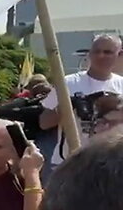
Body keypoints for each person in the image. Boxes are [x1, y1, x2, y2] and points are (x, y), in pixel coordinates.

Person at [41, 34, 123, 169]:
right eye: (96, 51)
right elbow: (44, 123)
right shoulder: (67, 83)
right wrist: (68, 106)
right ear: (90, 53)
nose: (101, 56)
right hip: (70, 163)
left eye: (107, 52)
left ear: (119, 54)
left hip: (111, 164)